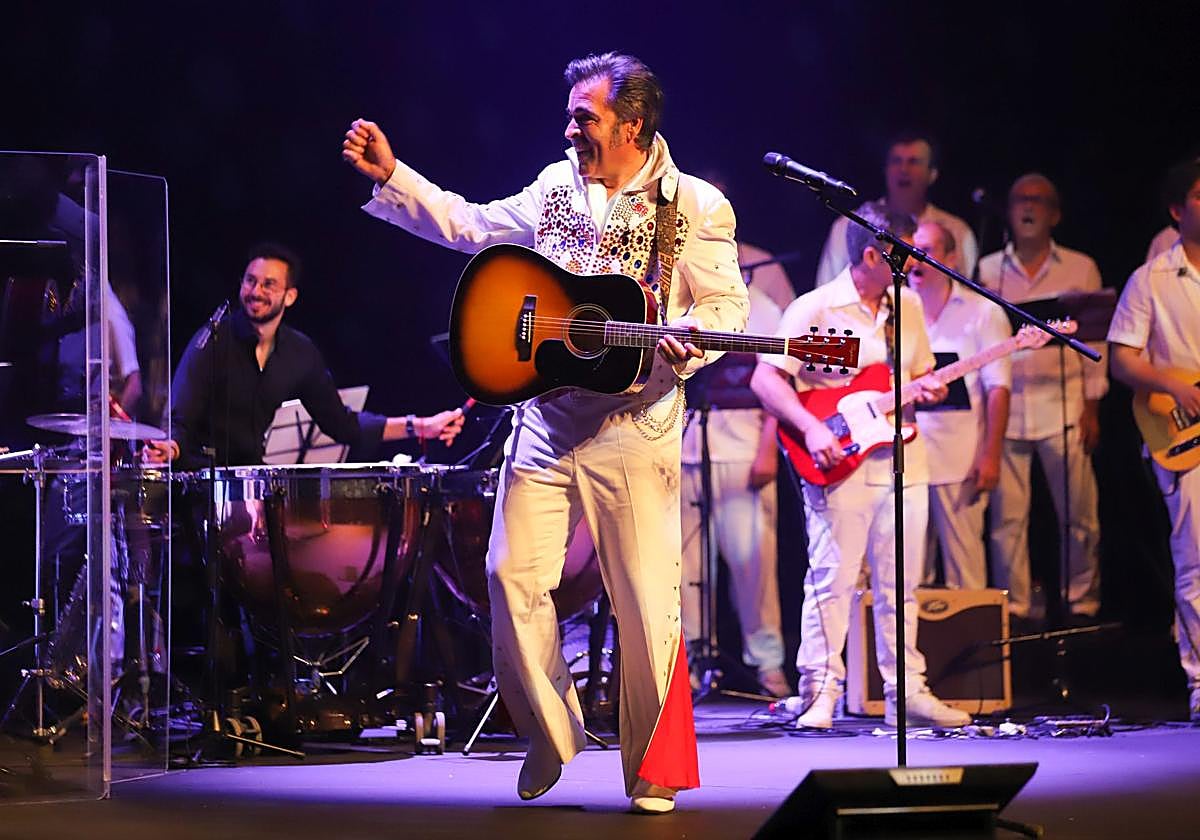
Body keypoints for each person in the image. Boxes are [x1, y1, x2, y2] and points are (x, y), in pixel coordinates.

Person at [342, 52, 748, 813]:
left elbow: (727, 306)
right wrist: (395, 176)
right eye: (570, 116)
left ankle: (652, 770)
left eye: (584, 118)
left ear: (631, 125)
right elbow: (473, 225)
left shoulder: (693, 204)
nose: (569, 130)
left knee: (646, 601)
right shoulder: (555, 185)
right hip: (547, 418)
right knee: (509, 575)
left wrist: (691, 338)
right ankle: (551, 732)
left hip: (634, 423)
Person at [750, 202, 970, 730]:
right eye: (904, 251)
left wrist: (930, 389)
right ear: (872, 255)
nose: (914, 261)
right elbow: (766, 378)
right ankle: (820, 690)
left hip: (903, 459)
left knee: (902, 583)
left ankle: (906, 691)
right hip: (839, 459)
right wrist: (812, 428)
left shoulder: (907, 306)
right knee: (833, 579)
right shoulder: (815, 307)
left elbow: (917, 374)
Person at [144, 242, 463, 467]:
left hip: (250, 484)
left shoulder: (299, 353)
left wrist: (422, 426)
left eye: (269, 284)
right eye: (250, 281)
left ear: (290, 296)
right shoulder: (213, 339)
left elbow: (343, 424)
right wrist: (169, 448)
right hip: (199, 483)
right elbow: (180, 419)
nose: (256, 292)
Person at [977, 174, 1107, 626]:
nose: (1028, 207)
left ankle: (1082, 603)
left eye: (1038, 201)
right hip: (1008, 412)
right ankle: (1015, 608)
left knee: (1079, 516)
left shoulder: (1080, 267)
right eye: (1020, 200)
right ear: (1009, 210)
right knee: (1007, 521)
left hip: (1064, 406)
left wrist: (1092, 405)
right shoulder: (988, 268)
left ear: (1055, 213)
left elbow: (1096, 343)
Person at [1108, 158, 1200, 721]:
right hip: (1182, 432)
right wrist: (1174, 385)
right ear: (1176, 210)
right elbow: (1121, 359)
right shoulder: (1151, 279)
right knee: (1197, 561)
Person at [681, 281, 788, 698]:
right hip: (681, 447)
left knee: (753, 563)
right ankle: (690, 662)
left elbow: (779, 380)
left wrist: (767, 449)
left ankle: (767, 663)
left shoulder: (761, 307)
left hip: (743, 450)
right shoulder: (676, 298)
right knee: (684, 569)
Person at [908, 221, 1012, 590]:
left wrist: (991, 455)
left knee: (964, 572)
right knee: (908, 573)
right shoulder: (894, 309)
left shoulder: (983, 312)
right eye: (911, 250)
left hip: (960, 461)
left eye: (926, 251)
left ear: (951, 257)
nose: (915, 260)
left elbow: (998, 388)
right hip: (906, 461)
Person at [814, 132, 978, 288]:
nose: (904, 170)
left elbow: (967, 295)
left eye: (914, 162)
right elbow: (826, 288)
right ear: (885, 170)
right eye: (896, 161)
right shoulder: (851, 225)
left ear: (932, 174)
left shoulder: (956, 231)